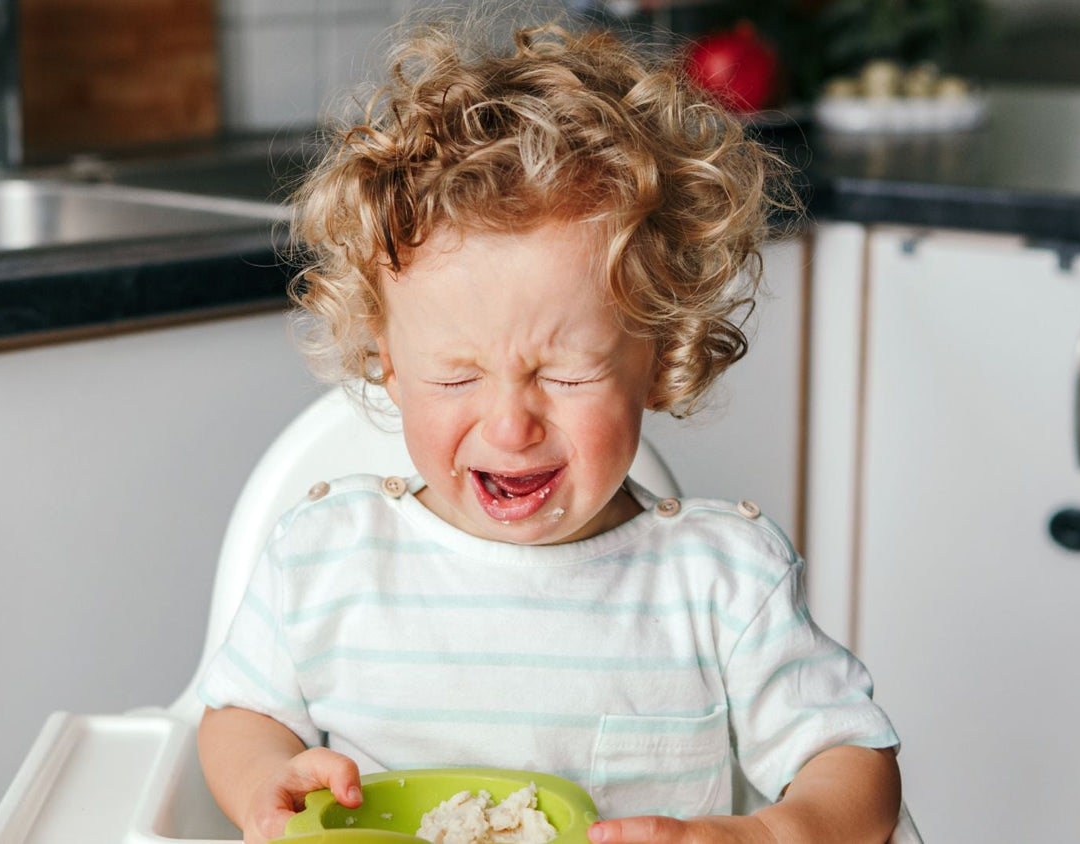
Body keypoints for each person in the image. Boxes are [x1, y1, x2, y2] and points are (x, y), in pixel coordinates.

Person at [197, 11, 905, 844]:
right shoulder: (324, 559)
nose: (510, 422)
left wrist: (767, 835)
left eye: (566, 376)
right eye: (456, 376)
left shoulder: (721, 586)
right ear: (387, 361)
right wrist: (263, 781)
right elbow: (239, 715)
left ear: (659, 358)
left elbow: (854, 762)